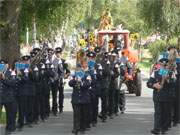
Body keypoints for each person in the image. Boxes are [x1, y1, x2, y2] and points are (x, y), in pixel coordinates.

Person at [51, 47, 70, 115]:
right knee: (54, 95)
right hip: (55, 80)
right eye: (57, 53)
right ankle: (54, 109)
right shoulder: (52, 61)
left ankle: (61, 107)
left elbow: (68, 71)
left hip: (61, 80)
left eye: (59, 53)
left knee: (61, 95)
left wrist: (66, 76)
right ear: (55, 53)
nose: (58, 54)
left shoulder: (63, 61)